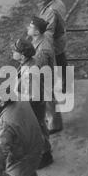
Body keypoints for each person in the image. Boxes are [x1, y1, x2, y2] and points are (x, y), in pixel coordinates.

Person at [12, 38, 52, 167]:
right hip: (37, 103)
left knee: (37, 129)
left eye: (14, 51)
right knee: (40, 127)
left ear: (22, 55)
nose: (12, 52)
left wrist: (15, 95)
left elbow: (32, 95)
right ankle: (45, 150)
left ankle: (45, 155)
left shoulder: (30, 71)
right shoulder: (30, 63)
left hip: (34, 105)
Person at [0, 99, 43, 176]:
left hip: (22, 162)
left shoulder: (4, 125)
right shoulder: (21, 100)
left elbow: (0, 154)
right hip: (34, 146)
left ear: (2, 102)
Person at [38, 0, 68, 94]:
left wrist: (42, 45)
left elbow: (49, 30)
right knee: (61, 61)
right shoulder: (56, 2)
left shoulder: (52, 9)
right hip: (60, 38)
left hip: (55, 41)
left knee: (55, 64)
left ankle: (59, 87)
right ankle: (66, 84)